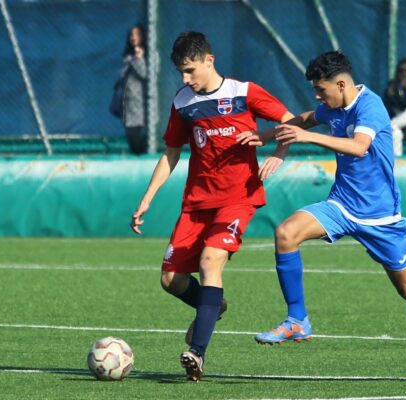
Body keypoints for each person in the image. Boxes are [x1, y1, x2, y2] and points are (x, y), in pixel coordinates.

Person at [240, 51, 406, 378]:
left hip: (381, 217)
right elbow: (304, 118)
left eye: (321, 90)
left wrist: (308, 137)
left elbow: (359, 146)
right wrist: (267, 136)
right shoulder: (332, 107)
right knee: (286, 233)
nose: (318, 97)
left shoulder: (370, 106)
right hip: (342, 205)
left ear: (341, 84)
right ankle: (297, 320)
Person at [130, 31, 293, 381]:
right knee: (171, 279)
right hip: (196, 204)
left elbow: (290, 121)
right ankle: (212, 305)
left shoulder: (243, 93)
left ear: (209, 60)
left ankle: (197, 353)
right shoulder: (182, 101)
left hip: (238, 199)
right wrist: (147, 198)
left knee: (209, 262)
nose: (186, 79)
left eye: (190, 70)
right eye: (181, 73)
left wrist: (278, 153)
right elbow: (171, 152)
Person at [117, 24, 147, 154]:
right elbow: (122, 77)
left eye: (137, 34)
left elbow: (145, 74)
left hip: (143, 105)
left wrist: (139, 59)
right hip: (128, 104)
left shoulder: (149, 56)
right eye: (131, 34)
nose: (133, 37)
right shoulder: (128, 56)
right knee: (131, 137)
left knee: (140, 139)